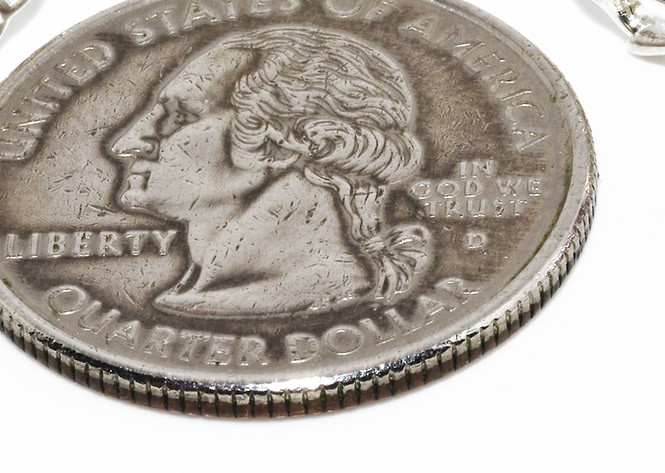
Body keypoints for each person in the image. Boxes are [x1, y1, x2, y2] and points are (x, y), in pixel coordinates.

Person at [107, 25, 431, 317]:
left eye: (180, 116)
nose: (126, 144)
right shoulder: (193, 295)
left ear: (281, 146)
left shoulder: (318, 293)